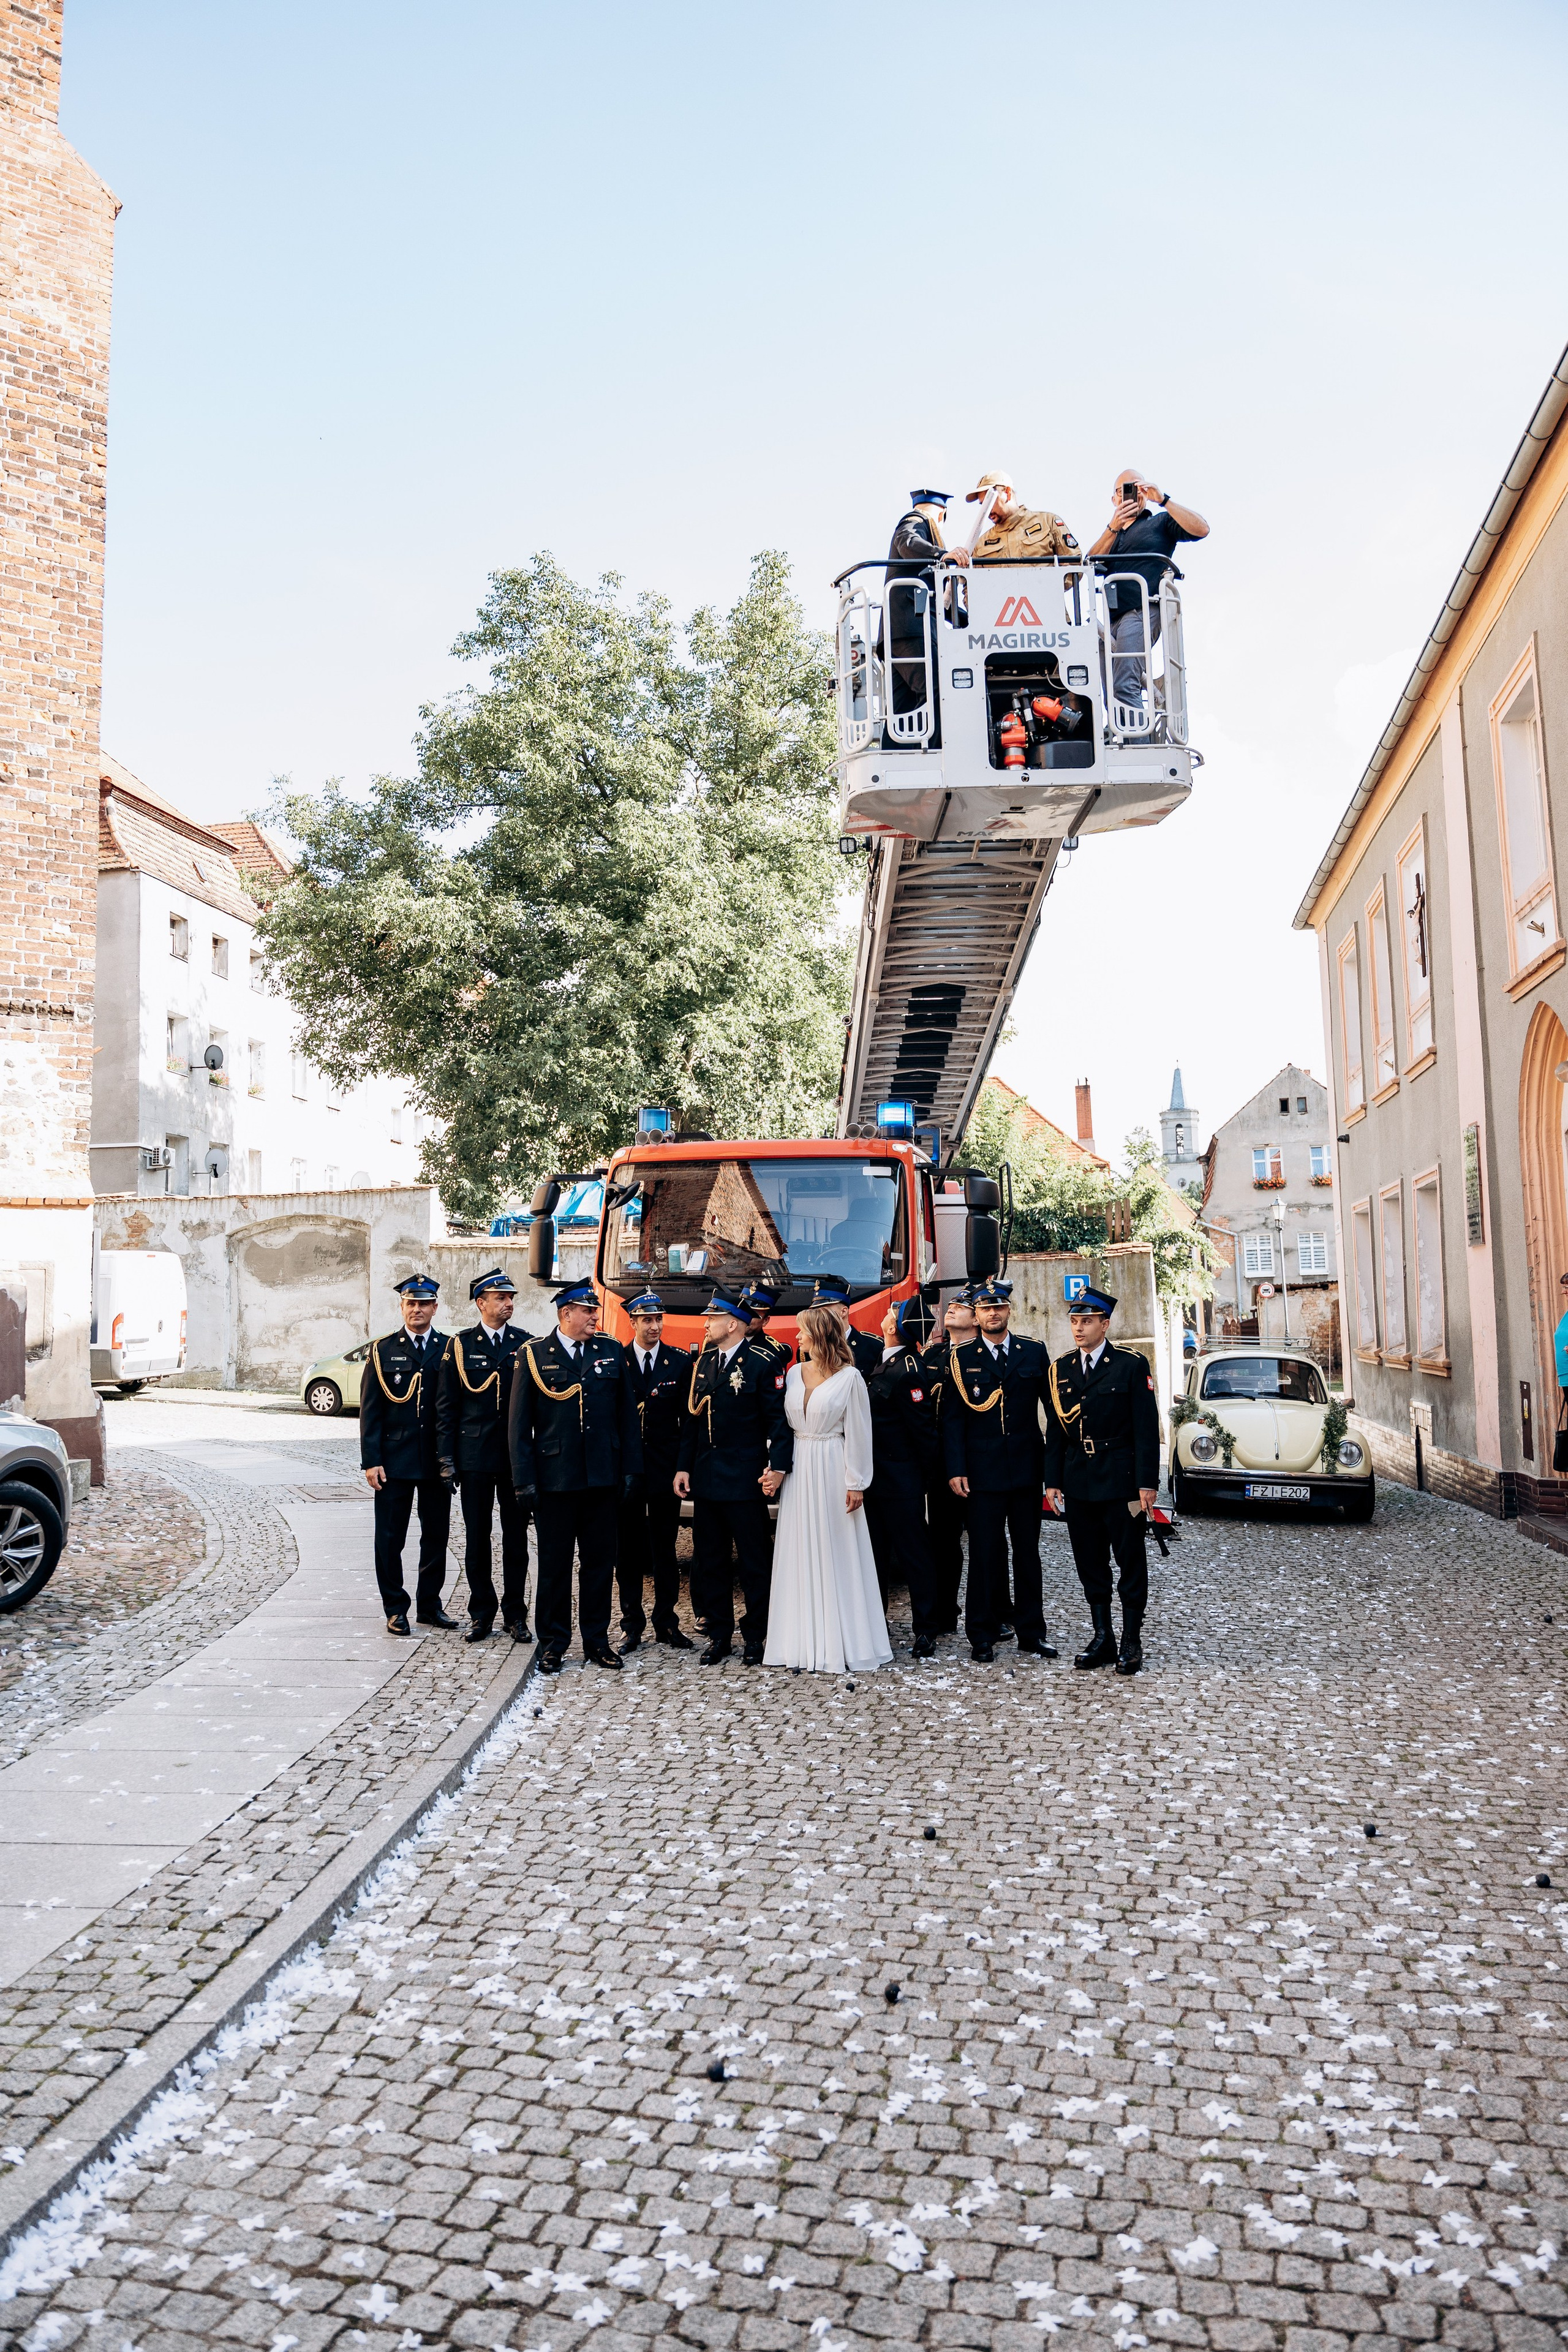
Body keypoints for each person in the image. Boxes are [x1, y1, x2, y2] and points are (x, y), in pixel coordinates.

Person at [508, 1279, 641, 1676]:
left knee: (599, 1565)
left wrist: (631, 1469)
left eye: (594, 1311)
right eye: (588, 1311)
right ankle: (553, 1643)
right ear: (566, 1314)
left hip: (602, 1479)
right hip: (556, 1481)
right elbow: (518, 1426)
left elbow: (627, 1420)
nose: (595, 1317)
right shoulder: (534, 1355)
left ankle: (597, 1641)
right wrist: (523, 1479)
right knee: (554, 1566)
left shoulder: (610, 1351)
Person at [764, 1303, 891, 1674]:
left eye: (803, 1331)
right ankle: (799, 1639)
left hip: (834, 1466)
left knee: (838, 1549)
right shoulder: (792, 1374)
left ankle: (843, 1638)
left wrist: (857, 1483)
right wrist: (776, 1467)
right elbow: (783, 1430)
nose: (797, 1337)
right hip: (800, 1468)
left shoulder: (851, 1378)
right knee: (800, 1548)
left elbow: (860, 1433)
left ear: (818, 1335)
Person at [1042, 1286, 1162, 1678]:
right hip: (1079, 1480)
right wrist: (1053, 1480)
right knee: (1089, 1562)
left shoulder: (1130, 1364)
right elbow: (1057, 1431)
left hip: (1123, 1480)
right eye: (1074, 1321)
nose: (1078, 1329)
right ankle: (1102, 1635)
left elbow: (1146, 1428)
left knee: (1129, 1561)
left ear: (1104, 1324)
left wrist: (1147, 1483)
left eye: (1087, 1321)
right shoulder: (1060, 1369)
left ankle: (1131, 1638)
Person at [943, 1276, 1058, 1662]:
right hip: (981, 1474)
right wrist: (956, 1467)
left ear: (1009, 1310)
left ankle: (1031, 1633)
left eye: (999, 1307)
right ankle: (981, 1634)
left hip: (1026, 1471)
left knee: (1028, 1554)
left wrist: (1053, 1474)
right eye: (986, 1308)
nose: (993, 1313)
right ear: (976, 1315)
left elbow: (1054, 1416)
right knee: (984, 1553)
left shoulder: (1033, 1352)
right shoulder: (960, 1359)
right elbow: (953, 1421)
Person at [675, 1290, 792, 1665]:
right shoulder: (704, 1362)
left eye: (712, 1319)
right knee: (710, 1561)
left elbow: (778, 1422)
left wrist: (777, 1467)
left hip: (745, 1479)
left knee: (755, 1562)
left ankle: (757, 1635)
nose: (705, 1325)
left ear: (732, 1324)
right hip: (708, 1478)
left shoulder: (762, 1362)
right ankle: (720, 1634)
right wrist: (683, 1466)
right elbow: (692, 1422)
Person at [436, 1267, 534, 1644]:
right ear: (481, 1303)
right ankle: (481, 1614)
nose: (509, 1303)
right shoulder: (460, 1346)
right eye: (500, 1298)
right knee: (477, 1538)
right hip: (474, 1454)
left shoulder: (525, 1344)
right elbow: (446, 1407)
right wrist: (446, 1459)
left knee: (516, 1540)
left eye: (511, 1298)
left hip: (513, 1457)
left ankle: (515, 1614)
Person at [361, 1274, 456, 1637]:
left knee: (436, 1536)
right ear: (402, 1307)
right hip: (394, 1461)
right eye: (410, 1304)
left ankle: (430, 1606)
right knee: (390, 1538)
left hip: (435, 1461)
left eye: (424, 1303)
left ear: (435, 1307)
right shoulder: (383, 1350)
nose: (417, 1309)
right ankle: (395, 1608)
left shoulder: (449, 1349)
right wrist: (372, 1459)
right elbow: (371, 1410)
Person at [1085, 469, 1208, 714]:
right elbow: (1089, 563)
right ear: (1114, 500)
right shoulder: (1112, 534)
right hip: (1112, 621)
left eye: (1136, 488)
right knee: (1111, 691)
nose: (1130, 496)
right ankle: (1125, 738)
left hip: (1141, 611)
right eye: (1124, 491)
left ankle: (1137, 747)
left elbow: (1201, 529)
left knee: (1124, 685)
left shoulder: (1159, 523)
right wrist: (1113, 526)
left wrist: (1163, 499)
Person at [617, 1289, 695, 1655]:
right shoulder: (616, 1360)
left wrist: (683, 1467)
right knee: (629, 1551)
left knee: (666, 1550)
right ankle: (631, 1624)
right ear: (633, 1323)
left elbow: (688, 1422)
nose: (655, 1326)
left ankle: (666, 1621)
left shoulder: (678, 1362)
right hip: (628, 1471)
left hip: (665, 1471)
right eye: (647, 1320)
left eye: (658, 1319)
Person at [864, 1295, 943, 1655]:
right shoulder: (887, 1364)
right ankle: (874, 1623)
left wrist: (923, 1480)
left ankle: (926, 1627)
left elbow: (923, 1431)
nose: (885, 1316)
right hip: (877, 1479)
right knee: (876, 1555)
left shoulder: (909, 1369)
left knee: (914, 1556)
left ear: (895, 1328)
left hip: (902, 1481)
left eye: (891, 1313)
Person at [884, 491, 969, 726]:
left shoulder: (921, 534)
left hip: (901, 633)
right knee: (940, 690)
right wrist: (943, 555)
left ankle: (894, 758)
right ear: (942, 515)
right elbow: (907, 541)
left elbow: (938, 605)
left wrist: (969, 620)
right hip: (912, 631)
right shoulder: (916, 520)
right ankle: (943, 754)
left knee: (901, 710)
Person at [922, 1296, 974, 1634]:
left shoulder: (983, 1356)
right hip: (940, 1462)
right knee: (944, 1540)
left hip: (978, 1459)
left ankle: (996, 1612)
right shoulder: (933, 1355)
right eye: (951, 1305)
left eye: (962, 1306)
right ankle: (946, 1610)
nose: (951, 1309)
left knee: (989, 1543)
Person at [967, 471, 1080, 564]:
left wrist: (1048, 589)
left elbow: (1075, 564)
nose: (986, 511)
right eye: (983, 506)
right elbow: (971, 587)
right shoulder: (980, 544)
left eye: (990, 502)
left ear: (1008, 493)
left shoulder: (1048, 522)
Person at [810, 1272, 883, 1376]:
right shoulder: (812, 1346)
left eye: (824, 1310)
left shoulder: (873, 1346)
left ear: (843, 1312)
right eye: (816, 1311)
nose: (819, 1316)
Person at [739, 1283, 793, 1373]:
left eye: (754, 1314)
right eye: (744, 1311)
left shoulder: (776, 1352)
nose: (746, 1317)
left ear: (765, 1321)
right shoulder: (721, 1340)